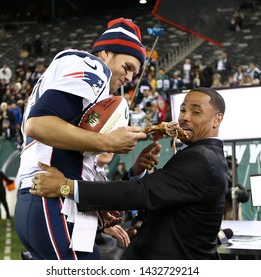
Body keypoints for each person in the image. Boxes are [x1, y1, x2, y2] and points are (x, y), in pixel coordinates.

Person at [31, 87, 229, 260]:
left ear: (217, 119)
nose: (184, 117)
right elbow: (163, 199)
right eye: (183, 110)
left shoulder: (201, 159)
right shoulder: (204, 155)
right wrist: (138, 172)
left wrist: (67, 186)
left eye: (196, 112)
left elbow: (142, 193)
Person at [14, 17, 147, 260]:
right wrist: (109, 142)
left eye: (134, 73)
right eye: (127, 67)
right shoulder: (93, 67)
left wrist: (97, 207)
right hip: (51, 200)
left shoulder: (76, 76)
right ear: (105, 53)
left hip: (47, 200)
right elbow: (38, 124)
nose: (129, 78)